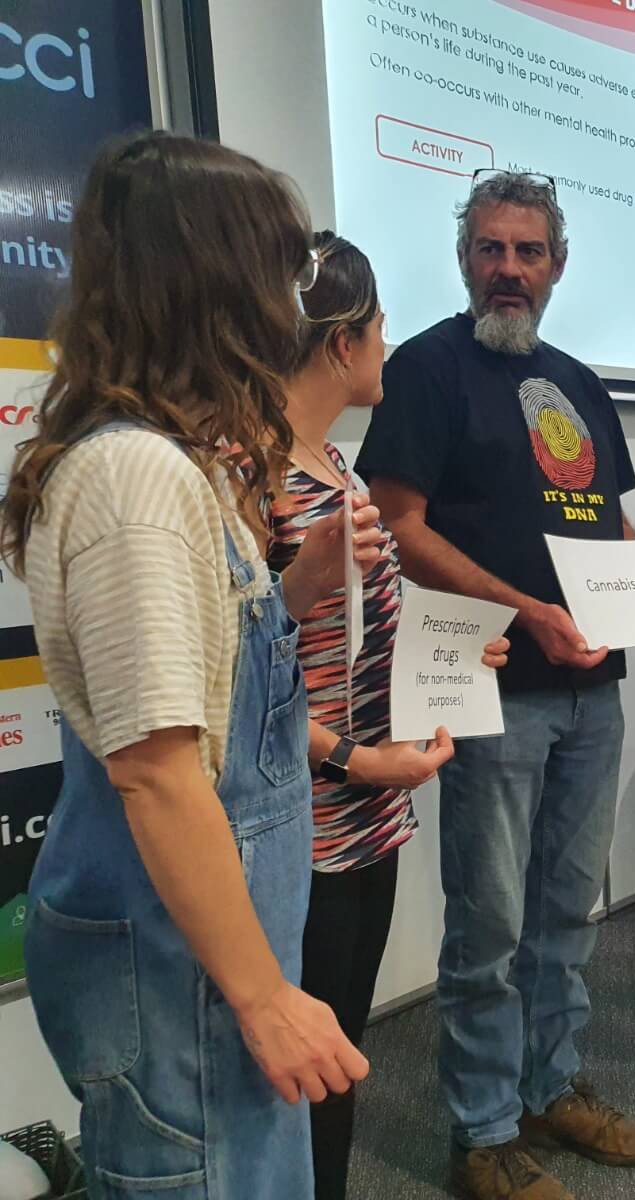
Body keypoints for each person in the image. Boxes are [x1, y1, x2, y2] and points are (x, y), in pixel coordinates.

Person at [1, 131, 374, 1195]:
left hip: (198, 953)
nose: (295, 305)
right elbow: (158, 772)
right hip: (179, 965)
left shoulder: (174, 464)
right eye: (286, 269)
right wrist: (265, 997)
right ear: (223, 280)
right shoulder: (134, 478)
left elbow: (216, 690)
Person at [356, 170, 635, 1199]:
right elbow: (397, 525)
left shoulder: (580, 381)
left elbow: (608, 526)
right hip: (491, 684)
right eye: (491, 248)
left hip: (593, 689)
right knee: (489, 922)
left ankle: (552, 1087)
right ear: (466, 260)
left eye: (527, 251)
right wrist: (528, 609)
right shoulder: (423, 369)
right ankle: (484, 1131)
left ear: (555, 266)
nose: (508, 268)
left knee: (562, 912)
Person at [271, 230, 510, 1200]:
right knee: (299, 1072)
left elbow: (372, 629)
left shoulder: (336, 463)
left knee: (343, 1054)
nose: (387, 343)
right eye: (376, 327)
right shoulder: (252, 475)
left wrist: (457, 656)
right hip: (305, 819)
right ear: (341, 344)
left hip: (371, 809)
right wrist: (353, 762)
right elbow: (240, 680)